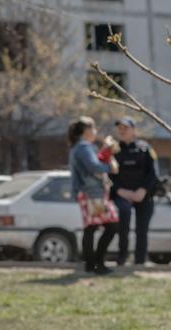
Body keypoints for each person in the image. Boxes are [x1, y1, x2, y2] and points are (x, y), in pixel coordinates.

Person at [68, 116, 119, 274]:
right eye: (94, 128)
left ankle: (91, 265)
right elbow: (94, 166)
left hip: (87, 193)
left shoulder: (78, 147)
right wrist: (109, 166)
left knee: (91, 227)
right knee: (111, 225)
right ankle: (98, 263)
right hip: (93, 193)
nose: (96, 131)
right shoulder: (84, 146)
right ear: (86, 130)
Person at [110, 117, 159, 266]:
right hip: (122, 196)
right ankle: (122, 259)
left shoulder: (145, 148)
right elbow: (108, 176)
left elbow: (153, 173)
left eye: (126, 128)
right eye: (120, 128)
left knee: (142, 230)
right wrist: (119, 191)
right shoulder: (113, 150)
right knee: (122, 228)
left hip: (143, 196)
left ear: (133, 130)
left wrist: (143, 190)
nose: (122, 131)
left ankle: (140, 261)